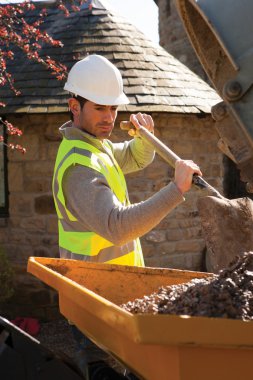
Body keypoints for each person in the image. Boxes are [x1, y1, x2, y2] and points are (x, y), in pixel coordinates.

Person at [52, 54, 202, 378]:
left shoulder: (96, 144)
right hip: (93, 301)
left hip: (115, 294)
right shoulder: (78, 167)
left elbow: (133, 157)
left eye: (113, 108)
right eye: (99, 108)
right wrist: (176, 189)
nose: (109, 118)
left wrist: (144, 137)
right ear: (74, 106)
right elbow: (117, 227)